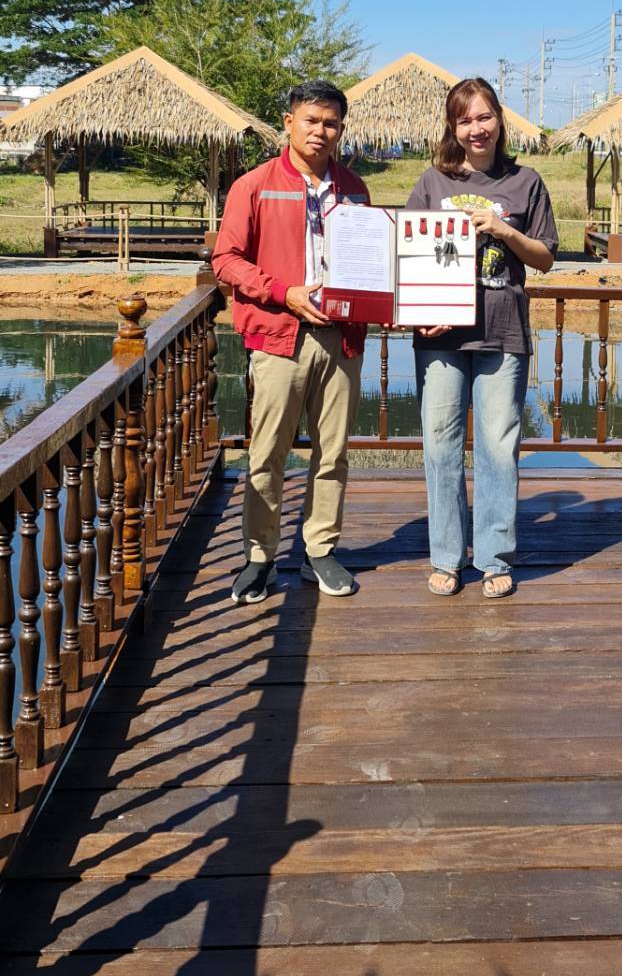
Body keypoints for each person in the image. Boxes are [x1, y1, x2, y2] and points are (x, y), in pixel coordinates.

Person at [212, 80, 369, 604]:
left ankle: (319, 550)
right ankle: (259, 557)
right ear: (289, 122)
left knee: (333, 454)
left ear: (341, 129)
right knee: (267, 453)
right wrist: (284, 293)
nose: (321, 131)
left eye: (331, 123)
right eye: (311, 120)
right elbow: (226, 260)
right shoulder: (254, 186)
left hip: (341, 340)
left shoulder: (355, 189)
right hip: (278, 337)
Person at [407, 77, 558, 598]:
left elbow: (545, 258)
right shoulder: (432, 182)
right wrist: (418, 313)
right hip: (441, 337)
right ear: (453, 127)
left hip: (502, 332)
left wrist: (503, 229)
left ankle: (494, 559)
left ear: (499, 120)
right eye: (465, 119)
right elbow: (409, 257)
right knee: (440, 446)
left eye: (484, 116)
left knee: (498, 447)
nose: (476, 128)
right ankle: (447, 558)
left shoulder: (526, 182)